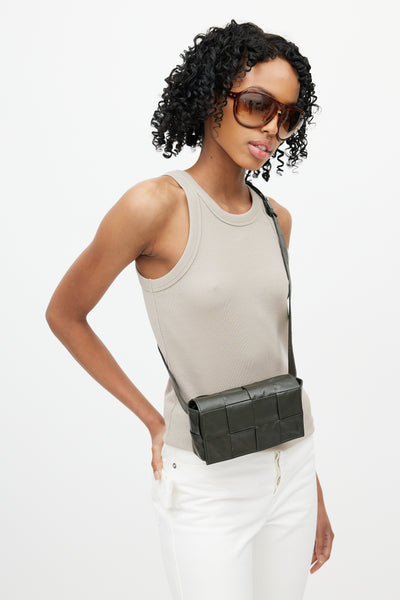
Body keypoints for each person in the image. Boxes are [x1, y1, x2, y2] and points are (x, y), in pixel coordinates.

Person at [45, 19, 334, 600]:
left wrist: (313, 489)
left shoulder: (276, 220)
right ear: (212, 97)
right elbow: (65, 314)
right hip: (207, 481)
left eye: (288, 115)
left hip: (292, 471)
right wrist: (154, 421)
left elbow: (273, 357)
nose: (273, 127)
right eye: (257, 105)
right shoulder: (154, 205)